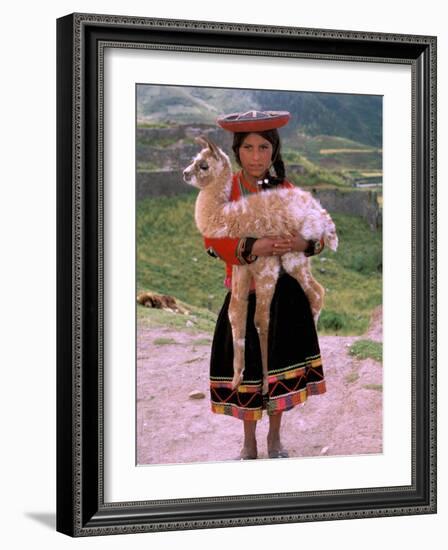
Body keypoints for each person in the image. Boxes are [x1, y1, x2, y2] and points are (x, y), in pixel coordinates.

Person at [204, 110, 326, 460]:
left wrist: (301, 244)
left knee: (279, 371)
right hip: (245, 294)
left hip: (285, 297)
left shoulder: (286, 190)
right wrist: (251, 246)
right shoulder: (225, 191)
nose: (256, 156)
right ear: (237, 151)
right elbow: (212, 239)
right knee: (248, 373)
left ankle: (274, 438)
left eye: (264, 148)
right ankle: (249, 442)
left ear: (273, 152)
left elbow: (316, 230)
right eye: (248, 148)